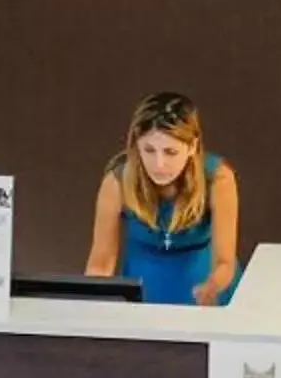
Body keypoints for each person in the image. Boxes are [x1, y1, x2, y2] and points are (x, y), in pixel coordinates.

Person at [86, 91, 240, 306]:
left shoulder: (218, 179)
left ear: (192, 147)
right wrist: (93, 303)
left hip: (208, 292)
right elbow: (101, 262)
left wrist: (212, 288)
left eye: (170, 152)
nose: (159, 164)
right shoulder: (117, 182)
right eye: (149, 150)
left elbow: (225, 261)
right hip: (144, 294)